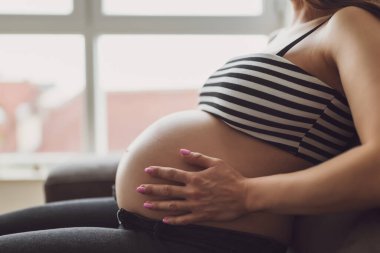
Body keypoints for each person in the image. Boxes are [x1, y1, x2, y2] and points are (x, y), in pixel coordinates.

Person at [1, 1, 379, 252]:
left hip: (209, 235)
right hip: (169, 217)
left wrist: (247, 194)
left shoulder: (351, 23)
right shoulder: (287, 32)